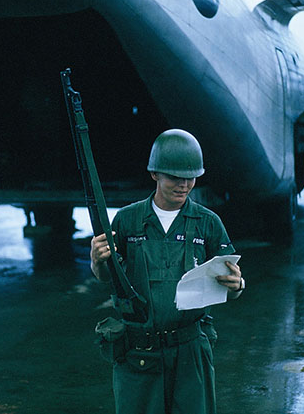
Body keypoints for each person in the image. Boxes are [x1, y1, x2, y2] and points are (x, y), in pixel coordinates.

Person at [90, 129, 244, 414]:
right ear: (154, 174)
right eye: (174, 177)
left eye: (191, 177)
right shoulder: (127, 220)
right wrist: (97, 261)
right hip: (138, 354)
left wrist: (238, 284)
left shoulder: (208, 223)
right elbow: (108, 279)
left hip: (190, 352)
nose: (184, 185)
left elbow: (230, 285)